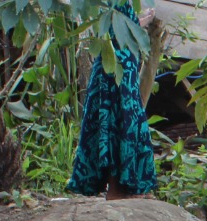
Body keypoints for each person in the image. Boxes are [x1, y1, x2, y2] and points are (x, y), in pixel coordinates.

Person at [67, 3, 156, 199]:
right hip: (116, 66)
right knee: (120, 122)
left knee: (120, 123)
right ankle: (118, 190)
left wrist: (141, 21)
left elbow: (119, 26)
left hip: (117, 64)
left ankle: (122, 189)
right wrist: (141, 22)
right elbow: (113, 29)